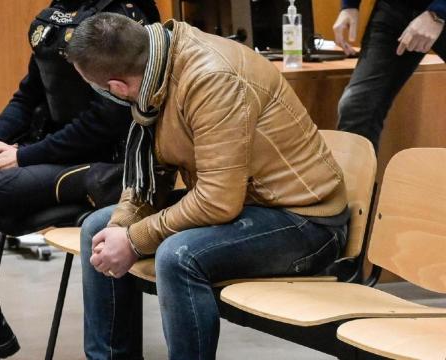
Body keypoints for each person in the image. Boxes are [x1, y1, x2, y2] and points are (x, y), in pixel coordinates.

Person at [66, 13, 351, 359]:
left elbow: (217, 202)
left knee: (178, 256)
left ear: (116, 88)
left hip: (306, 221)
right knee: (97, 229)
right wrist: (119, 229)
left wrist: (132, 239)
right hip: (246, 202)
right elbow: (150, 179)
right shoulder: (156, 69)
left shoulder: (211, 78)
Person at [0, 1, 160, 359]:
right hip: (46, 148)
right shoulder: (60, 10)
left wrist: (23, 156)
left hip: (104, 165)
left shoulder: (124, 12)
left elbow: (107, 120)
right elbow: (30, 92)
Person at [334, 0, 445, 151]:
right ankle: (356, 174)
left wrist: (438, 13)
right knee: (357, 106)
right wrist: (350, 6)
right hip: (395, 9)